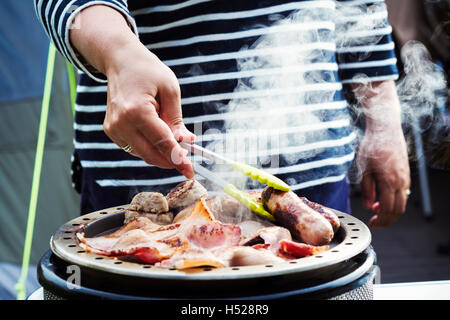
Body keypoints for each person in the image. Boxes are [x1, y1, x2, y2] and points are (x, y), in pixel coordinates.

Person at [34, 0, 410, 229]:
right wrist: (119, 53)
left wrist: (382, 112)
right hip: (145, 183)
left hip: (310, 176)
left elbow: (359, 6)